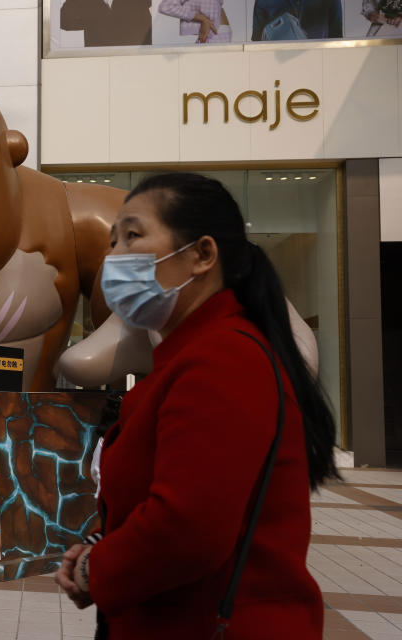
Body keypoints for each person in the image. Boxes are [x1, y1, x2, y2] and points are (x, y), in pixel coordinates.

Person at [54, 173, 339, 638]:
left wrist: (96, 569)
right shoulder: (190, 356)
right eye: (111, 241)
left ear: (202, 255)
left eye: (133, 236)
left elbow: (188, 530)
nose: (113, 258)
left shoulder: (224, 358)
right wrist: (102, 545)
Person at [251, 0, 343, 39]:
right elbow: (257, 50)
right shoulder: (263, 2)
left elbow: (337, 44)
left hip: (319, 72)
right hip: (279, 75)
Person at [158, 0, 232, 43]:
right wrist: (203, 19)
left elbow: (165, 6)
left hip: (212, 31)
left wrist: (203, 19)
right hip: (219, 30)